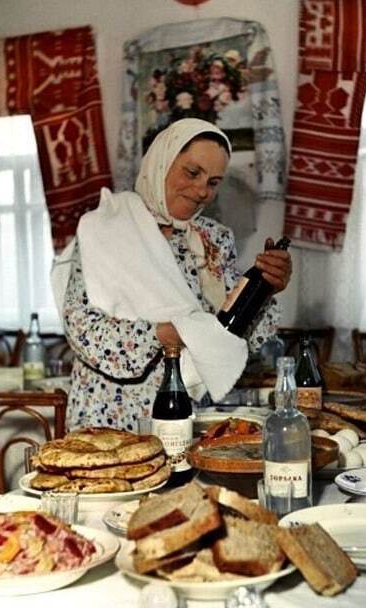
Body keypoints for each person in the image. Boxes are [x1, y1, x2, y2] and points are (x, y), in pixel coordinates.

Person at [55, 119, 292, 431]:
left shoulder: (213, 239)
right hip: (111, 414)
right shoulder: (107, 228)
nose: (201, 191)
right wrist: (161, 335)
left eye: (213, 182)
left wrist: (267, 288)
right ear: (161, 161)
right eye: (192, 173)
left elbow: (233, 334)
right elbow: (81, 328)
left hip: (189, 415)